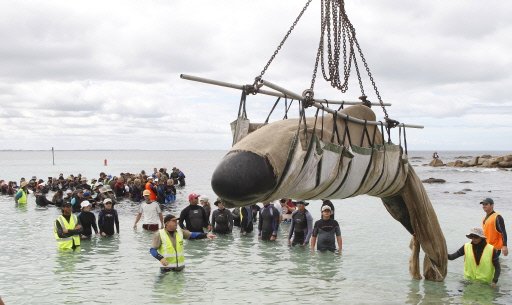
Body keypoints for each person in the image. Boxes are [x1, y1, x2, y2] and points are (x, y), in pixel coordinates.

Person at [150, 214, 215, 272]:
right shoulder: (159, 234)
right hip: (166, 270)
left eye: (176, 221)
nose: (176, 223)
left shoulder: (180, 231)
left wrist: (206, 235)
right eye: (174, 221)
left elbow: (192, 235)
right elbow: (152, 250)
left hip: (180, 269)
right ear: (167, 223)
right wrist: (160, 258)